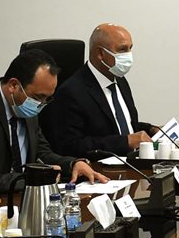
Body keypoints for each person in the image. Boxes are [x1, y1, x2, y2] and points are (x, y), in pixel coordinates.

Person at [0, 49, 106, 199]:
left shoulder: (26, 105)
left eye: (47, 99)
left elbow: (41, 153)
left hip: (24, 197)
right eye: (38, 97)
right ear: (13, 85)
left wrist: (72, 164)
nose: (41, 104)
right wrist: (29, 179)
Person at [41, 24, 161, 157]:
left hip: (133, 162)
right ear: (100, 53)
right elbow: (70, 145)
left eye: (130, 48)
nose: (128, 55)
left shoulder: (120, 80)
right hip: (98, 167)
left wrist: (150, 129)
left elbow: (119, 125)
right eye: (122, 49)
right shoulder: (71, 92)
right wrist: (125, 142)